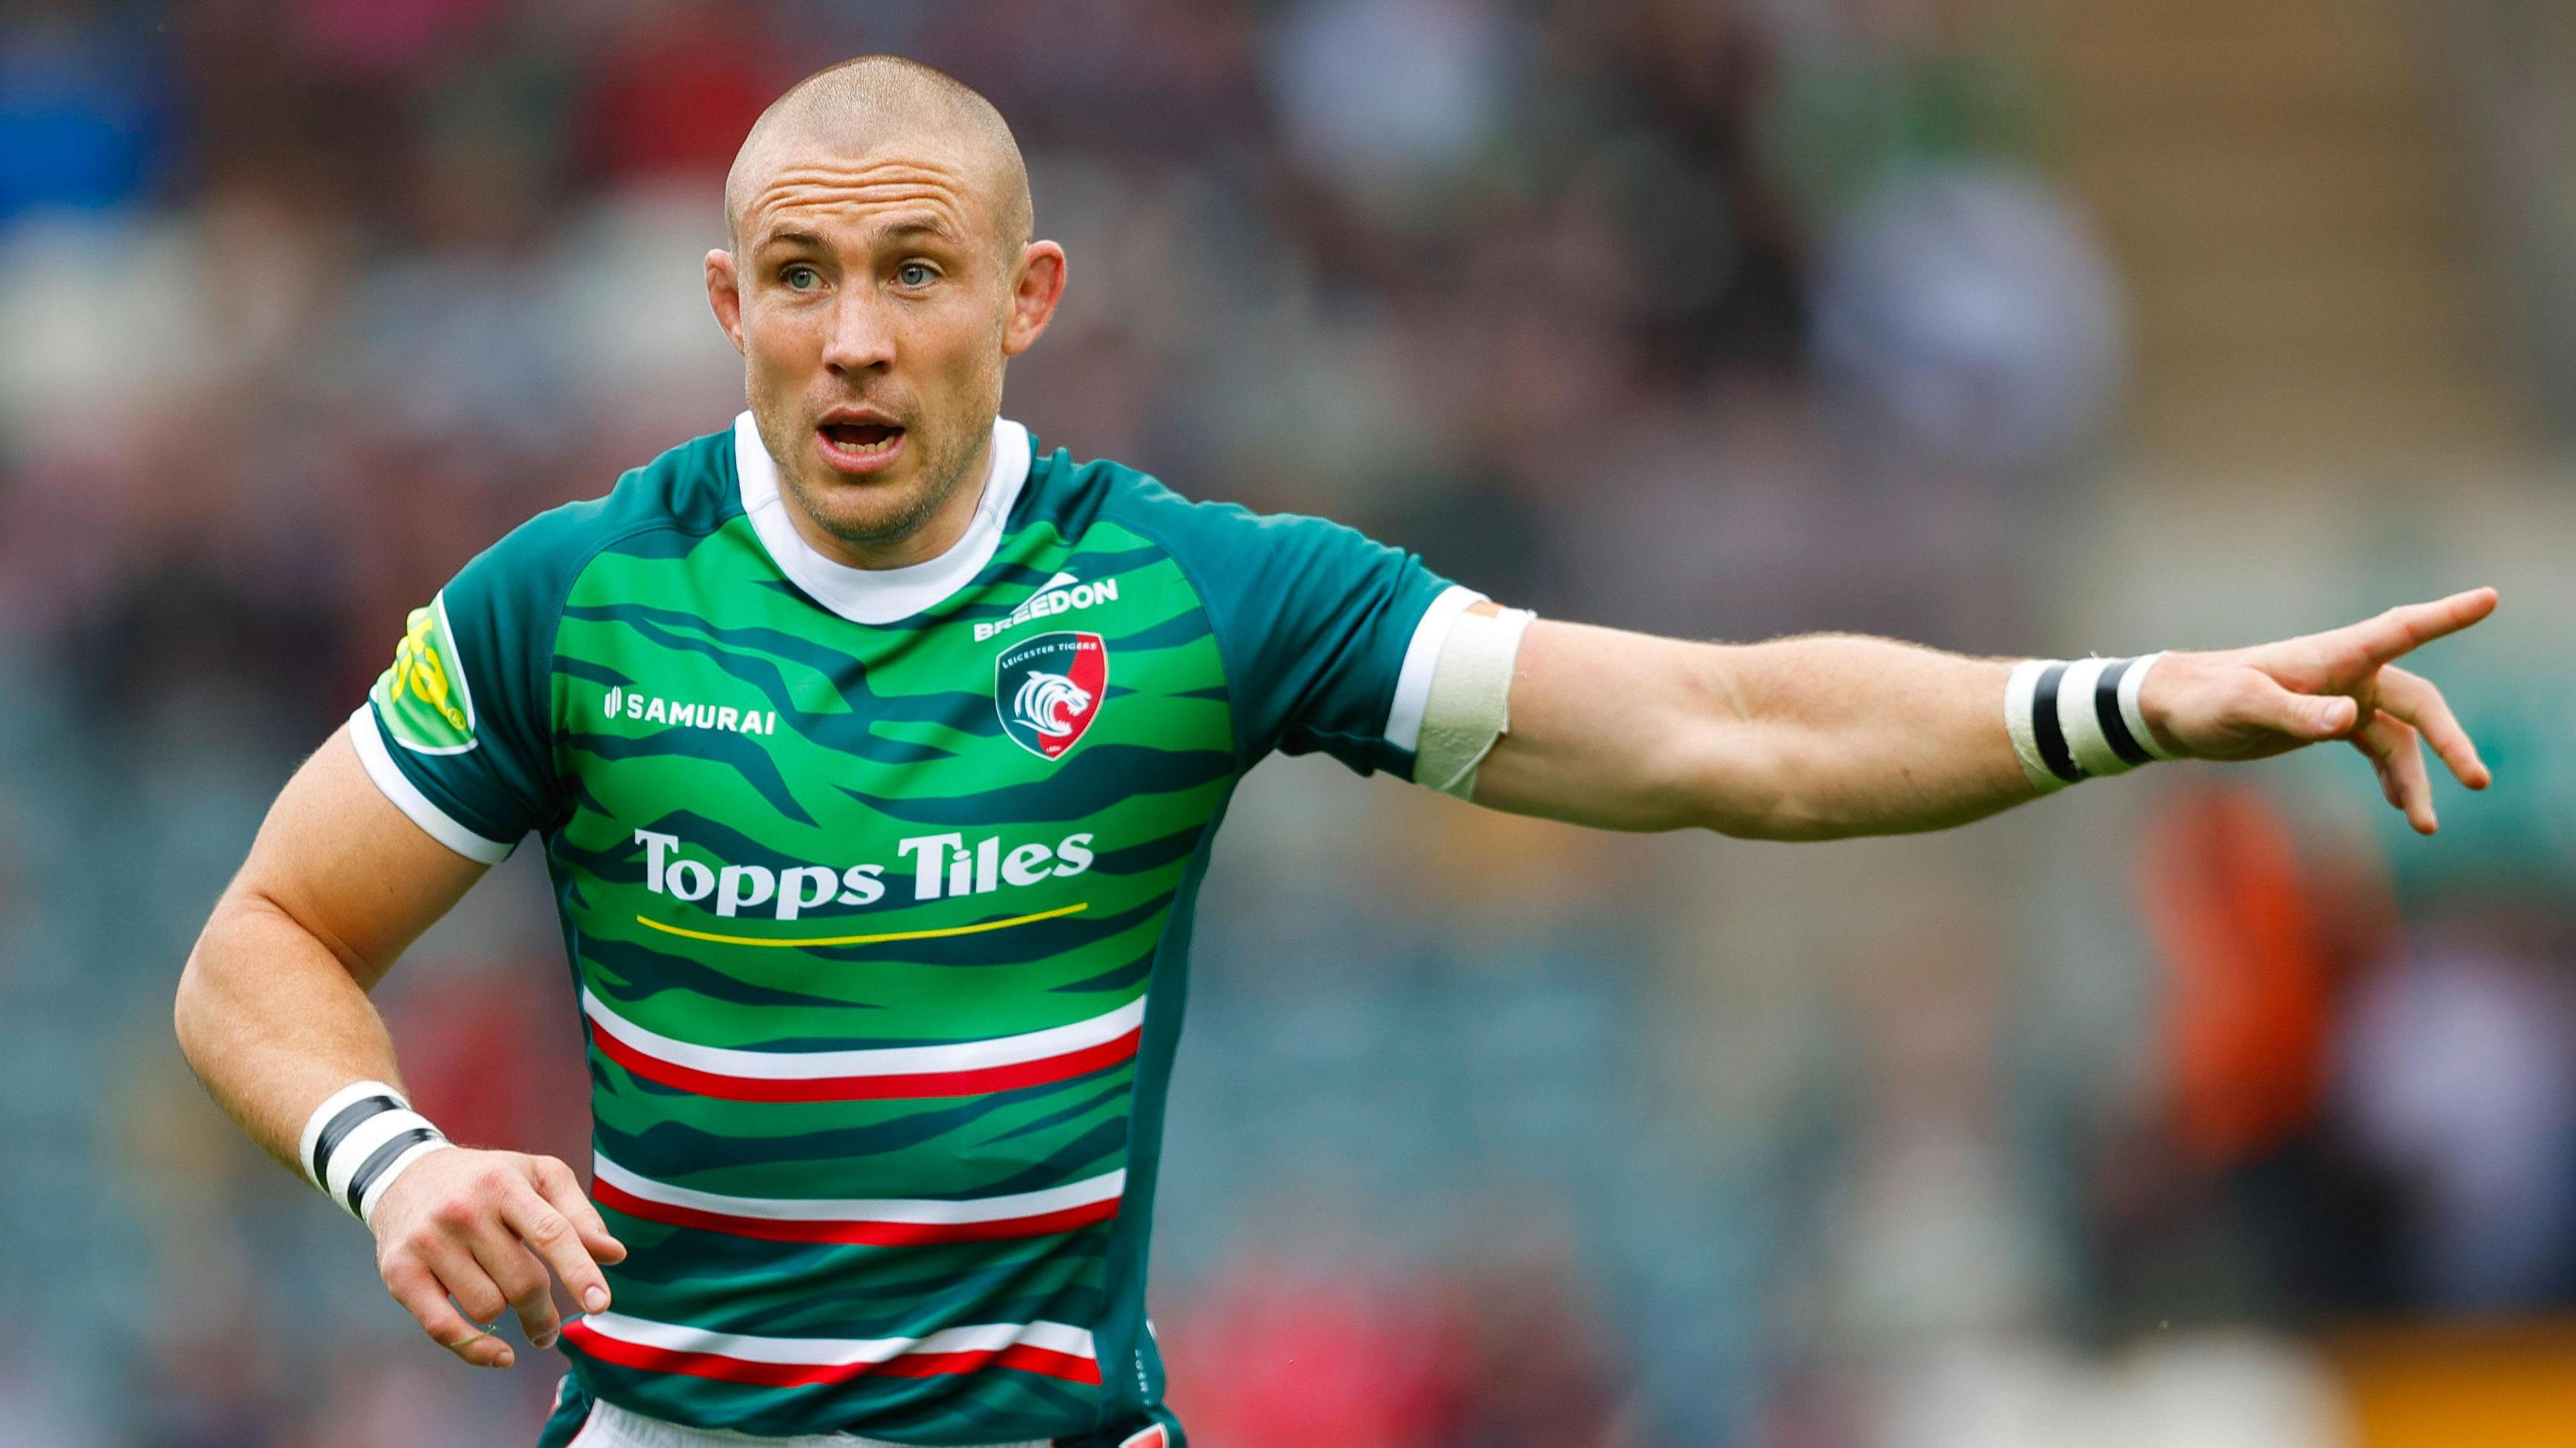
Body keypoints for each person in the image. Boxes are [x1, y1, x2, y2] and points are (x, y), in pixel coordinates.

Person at [170, 55, 2497, 1448]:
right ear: (726, 308)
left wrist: (2113, 705)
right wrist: (386, 1160)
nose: (854, 338)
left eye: (913, 275)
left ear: (1029, 298)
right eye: (798, 278)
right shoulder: (572, 596)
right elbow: (262, 940)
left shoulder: (1194, 592)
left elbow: (1720, 728)